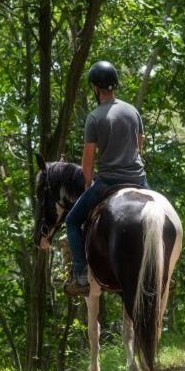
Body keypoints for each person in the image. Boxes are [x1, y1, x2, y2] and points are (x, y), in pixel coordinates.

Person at [64, 60, 149, 296]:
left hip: (109, 181)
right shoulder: (133, 111)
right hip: (139, 179)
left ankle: (80, 274)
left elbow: (88, 162)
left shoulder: (94, 118)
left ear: (94, 88)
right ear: (114, 85)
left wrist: (89, 184)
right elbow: (138, 147)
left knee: (72, 221)